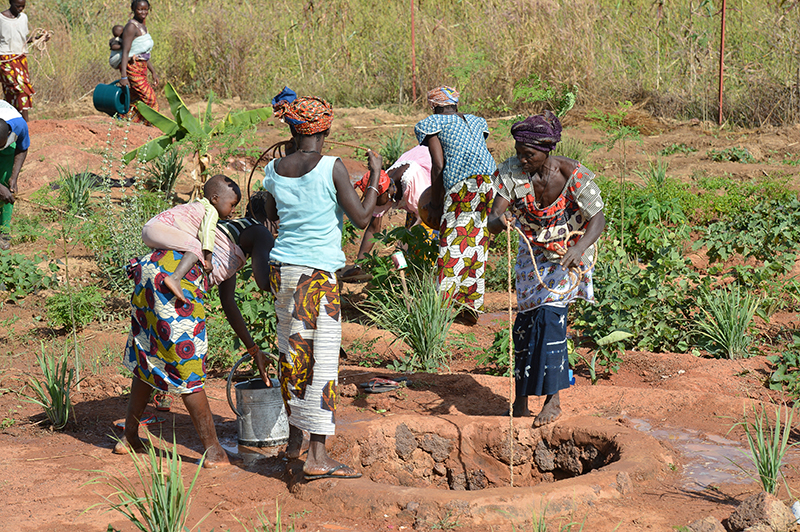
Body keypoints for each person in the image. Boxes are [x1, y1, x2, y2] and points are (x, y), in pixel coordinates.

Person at [262, 88, 381, 480]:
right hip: (316, 277)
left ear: (295, 130)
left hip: (284, 271)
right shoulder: (332, 166)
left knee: (292, 353)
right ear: (325, 129)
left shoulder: (273, 170)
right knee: (322, 362)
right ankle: (317, 456)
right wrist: (377, 175)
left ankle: (294, 441)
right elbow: (363, 218)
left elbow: (271, 214)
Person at [115, 192, 276, 468]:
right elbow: (263, 281)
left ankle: (130, 436)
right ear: (271, 218)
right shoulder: (260, 232)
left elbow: (228, 303)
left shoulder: (225, 234)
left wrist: (253, 350)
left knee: (149, 361)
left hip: (150, 272)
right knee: (188, 365)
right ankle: (213, 451)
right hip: (175, 281)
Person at [487, 111, 605, 427]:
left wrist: (578, 250)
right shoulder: (512, 173)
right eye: (518, 152)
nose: (522, 160)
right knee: (526, 322)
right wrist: (501, 221)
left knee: (552, 319)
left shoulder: (574, 175)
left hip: (569, 248)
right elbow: (492, 219)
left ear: (547, 151)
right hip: (531, 250)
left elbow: (598, 220)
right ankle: (521, 398)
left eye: (529, 155)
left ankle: (553, 400)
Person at [414, 86, 497, 324]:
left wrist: (436, 201)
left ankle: (441, 307)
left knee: (451, 242)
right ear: (455, 104)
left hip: (463, 187)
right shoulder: (476, 121)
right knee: (476, 242)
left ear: (433, 106)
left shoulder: (432, 124)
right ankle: (470, 305)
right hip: (490, 182)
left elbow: (439, 165)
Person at [142, 175, 241, 304]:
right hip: (159, 229)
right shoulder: (211, 211)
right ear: (215, 199)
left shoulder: (196, 204)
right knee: (196, 245)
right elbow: (207, 232)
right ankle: (175, 278)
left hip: (150, 228)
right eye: (232, 205)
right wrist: (208, 259)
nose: (233, 211)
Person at [341, 144, 434, 280]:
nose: (373, 202)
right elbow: (373, 229)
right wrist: (358, 265)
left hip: (434, 172)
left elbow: (422, 214)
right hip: (416, 193)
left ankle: (425, 277)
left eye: (375, 198)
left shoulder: (412, 180)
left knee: (423, 237)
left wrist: (401, 247)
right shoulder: (381, 189)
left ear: (388, 191)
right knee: (407, 239)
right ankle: (408, 276)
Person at [0, 0, 47, 121]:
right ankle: (24, 122)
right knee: (17, 88)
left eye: (23, 6)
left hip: (20, 58)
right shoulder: (1, 19)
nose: (20, 9)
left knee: (21, 90)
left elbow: (23, 38)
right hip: (5, 59)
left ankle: (17, 122)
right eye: (18, 6)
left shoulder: (23, 18)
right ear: (10, 3)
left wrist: (39, 38)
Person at [119, 0, 159, 124]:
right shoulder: (131, 27)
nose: (143, 12)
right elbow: (125, 52)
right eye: (140, 9)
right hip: (133, 67)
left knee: (135, 98)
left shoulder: (143, 26)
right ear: (133, 10)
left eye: (145, 9)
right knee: (150, 98)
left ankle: (127, 123)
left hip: (142, 67)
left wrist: (153, 72)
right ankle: (151, 125)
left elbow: (144, 54)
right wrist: (124, 76)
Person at [0, 99, 27, 250]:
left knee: (6, 189)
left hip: (8, 148)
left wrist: (14, 177)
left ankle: (3, 232)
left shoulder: (19, 125)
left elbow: (23, 148)